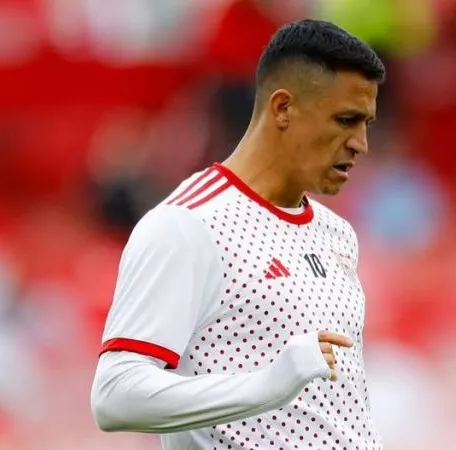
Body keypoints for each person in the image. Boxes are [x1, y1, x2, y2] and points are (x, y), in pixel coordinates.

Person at [91, 19, 385, 449]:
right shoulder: (188, 225)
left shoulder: (336, 234)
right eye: (345, 120)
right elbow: (115, 396)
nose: (361, 143)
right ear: (283, 108)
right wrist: (265, 385)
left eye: (366, 124)